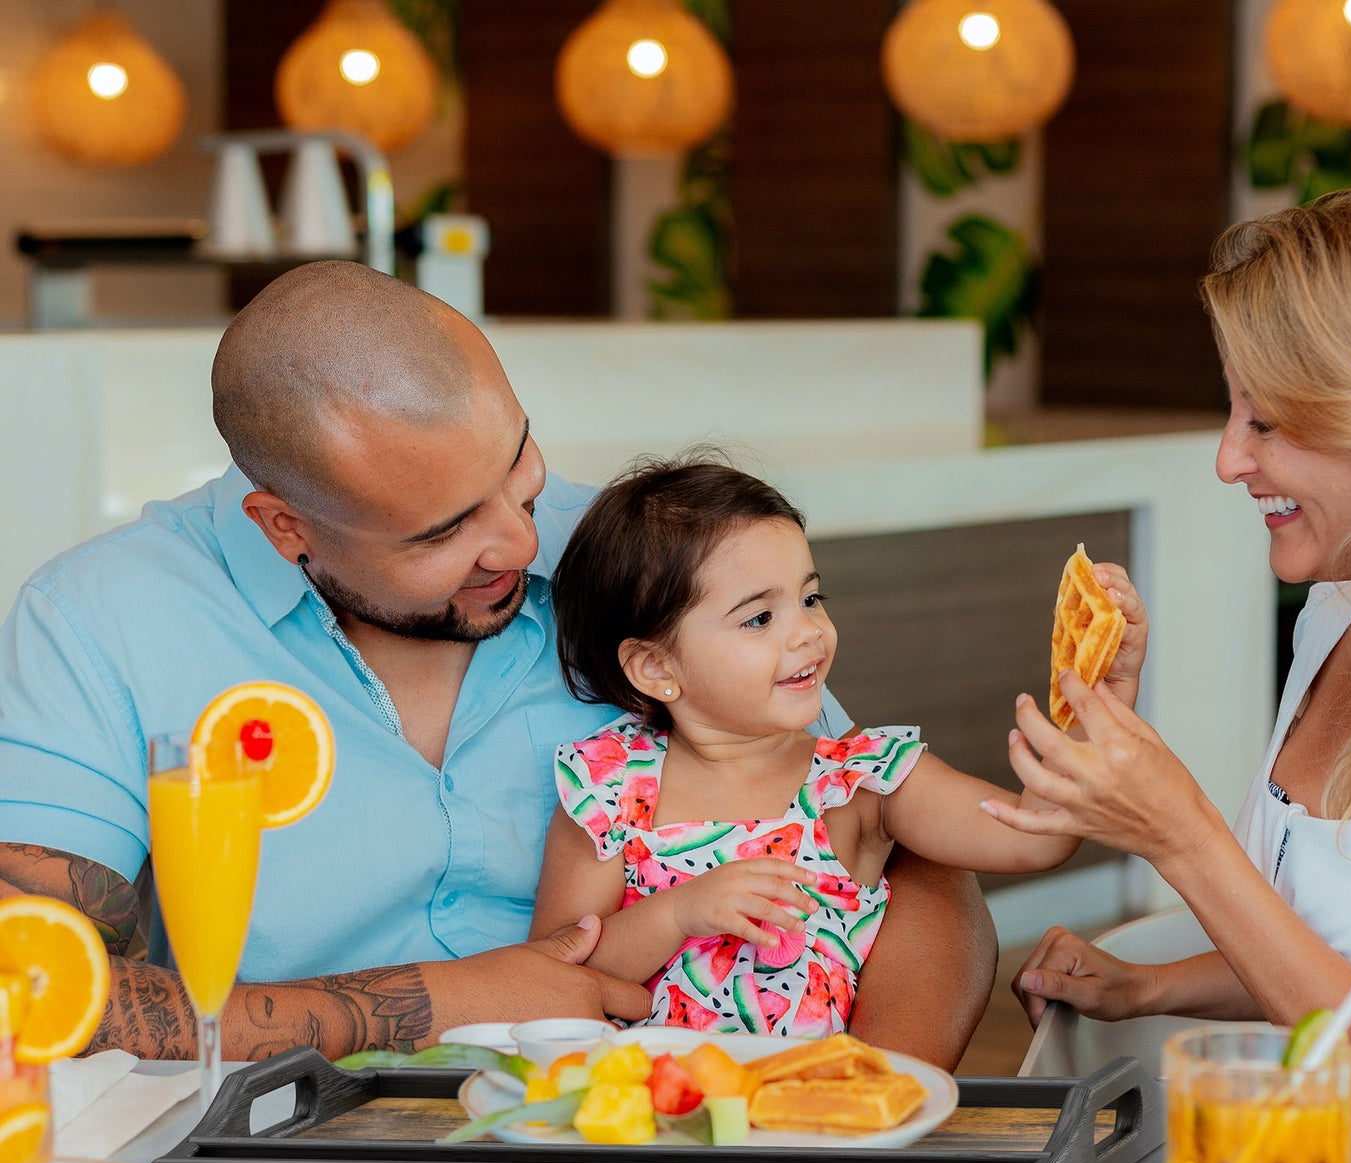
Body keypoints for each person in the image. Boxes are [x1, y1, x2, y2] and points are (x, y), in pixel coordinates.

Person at [0, 261, 996, 1068]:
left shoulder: (644, 561)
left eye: (517, 466)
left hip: (661, 1150)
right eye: (444, 531)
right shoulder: (100, 620)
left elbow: (911, 864)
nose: (521, 543)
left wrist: (852, 1121)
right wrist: (441, 999)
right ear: (284, 524)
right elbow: (29, 983)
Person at [989, 178, 1351, 1063]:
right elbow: (1342, 956)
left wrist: (1181, 833)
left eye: (1265, 420)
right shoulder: (1333, 620)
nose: (1229, 459)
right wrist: (1144, 985)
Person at [530, 457, 1146, 1037]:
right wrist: (677, 915)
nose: (808, 632)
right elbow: (552, 978)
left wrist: (1103, 696)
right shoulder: (608, 788)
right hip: (635, 1126)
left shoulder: (861, 782)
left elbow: (1037, 835)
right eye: (758, 619)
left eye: (810, 598)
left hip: (814, 1129)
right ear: (655, 666)